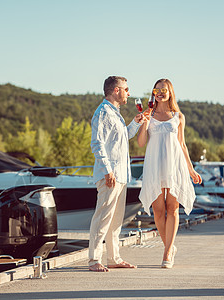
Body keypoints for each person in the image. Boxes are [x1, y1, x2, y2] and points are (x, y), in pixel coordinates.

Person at [137, 78, 202, 269]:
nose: (160, 92)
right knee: (158, 209)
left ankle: (166, 254)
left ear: (170, 92)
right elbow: (141, 143)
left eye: (163, 89)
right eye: (157, 89)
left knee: (172, 208)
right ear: (153, 93)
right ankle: (170, 246)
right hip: (154, 166)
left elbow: (182, 145)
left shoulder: (178, 116)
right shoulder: (149, 114)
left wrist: (191, 170)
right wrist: (144, 121)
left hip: (175, 166)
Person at [89, 76, 146, 272]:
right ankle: (94, 260)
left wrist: (136, 123)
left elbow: (123, 138)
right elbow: (97, 144)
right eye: (126, 89)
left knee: (115, 221)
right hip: (110, 175)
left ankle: (114, 258)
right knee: (103, 218)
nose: (128, 93)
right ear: (116, 91)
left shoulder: (116, 114)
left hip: (121, 175)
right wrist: (107, 171)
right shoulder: (103, 112)